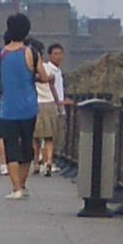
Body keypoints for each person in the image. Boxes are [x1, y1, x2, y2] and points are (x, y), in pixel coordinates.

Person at [0, 13, 42, 198]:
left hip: (8, 107)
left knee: (11, 146)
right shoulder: (32, 53)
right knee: (27, 145)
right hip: (28, 107)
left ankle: (15, 188)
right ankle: (23, 184)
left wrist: (2, 77)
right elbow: (42, 76)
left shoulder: (0, 54)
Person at [33, 43, 68, 174]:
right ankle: (49, 161)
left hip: (35, 104)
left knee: (35, 138)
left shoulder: (30, 70)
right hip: (49, 104)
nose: (59, 57)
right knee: (49, 137)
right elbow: (53, 88)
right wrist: (59, 103)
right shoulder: (48, 69)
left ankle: (36, 163)